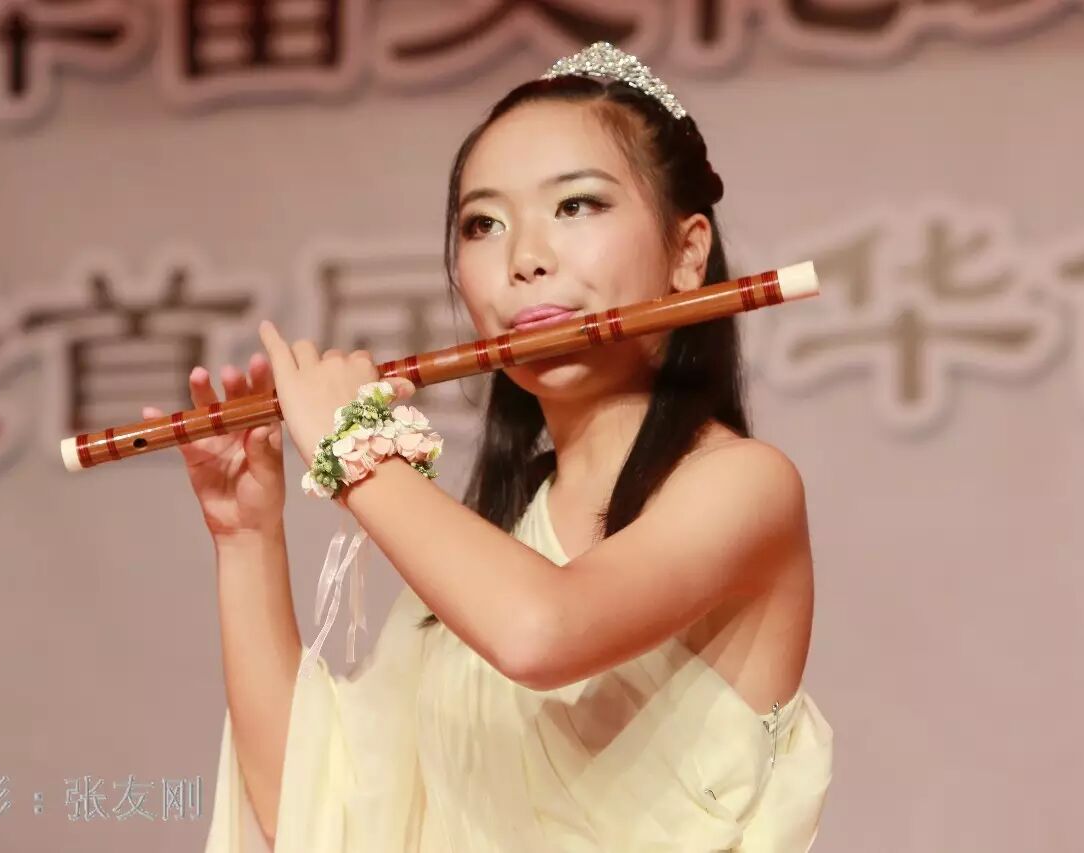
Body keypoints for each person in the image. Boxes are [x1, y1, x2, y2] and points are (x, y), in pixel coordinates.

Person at [162, 41, 833, 853]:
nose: (525, 260)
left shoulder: (743, 485)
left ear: (688, 252)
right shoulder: (494, 547)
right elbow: (312, 808)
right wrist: (245, 534)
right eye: (484, 224)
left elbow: (542, 632)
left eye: (577, 205)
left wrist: (355, 448)